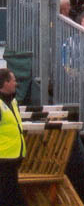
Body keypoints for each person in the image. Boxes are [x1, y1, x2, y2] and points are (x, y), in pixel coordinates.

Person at [0, 69, 25, 205]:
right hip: (3, 158)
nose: (16, 83)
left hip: (13, 157)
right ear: (6, 83)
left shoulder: (13, 102)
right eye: (13, 80)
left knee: (10, 196)